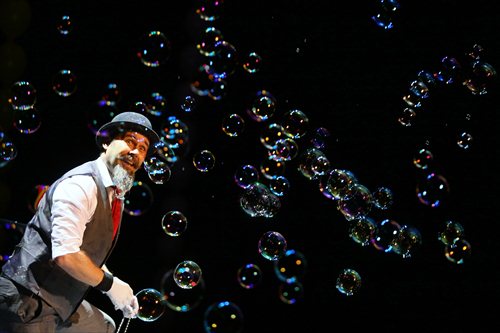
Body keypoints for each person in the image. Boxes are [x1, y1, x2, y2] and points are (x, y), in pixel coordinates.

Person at [0, 111, 160, 332]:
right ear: (106, 143)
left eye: (142, 148)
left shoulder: (115, 195)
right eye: (130, 141)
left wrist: (115, 283)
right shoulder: (82, 186)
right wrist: (109, 285)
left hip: (61, 301)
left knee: (104, 327)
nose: (135, 152)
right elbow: (66, 255)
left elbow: (86, 249)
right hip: (27, 300)